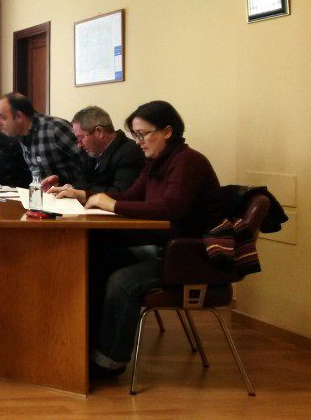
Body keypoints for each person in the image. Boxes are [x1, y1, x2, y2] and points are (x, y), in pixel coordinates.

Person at [82, 100, 222, 378]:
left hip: (190, 256)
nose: (139, 142)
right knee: (96, 260)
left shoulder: (188, 161)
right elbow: (128, 197)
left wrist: (111, 204)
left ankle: (108, 363)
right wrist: (85, 195)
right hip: (165, 248)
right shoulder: (155, 163)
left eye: (143, 134)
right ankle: (86, 346)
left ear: (167, 131)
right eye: (136, 135)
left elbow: (171, 208)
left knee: (122, 281)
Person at [45, 106, 145, 203]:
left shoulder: (130, 152)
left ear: (99, 131)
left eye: (81, 138)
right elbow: (80, 182)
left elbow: (120, 193)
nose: (79, 145)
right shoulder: (91, 151)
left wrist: (79, 190)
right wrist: (60, 182)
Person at [0, 92, 81, 187]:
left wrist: (71, 186)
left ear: (19, 117)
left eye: (2, 117)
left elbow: (87, 164)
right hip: (43, 193)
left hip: (72, 193)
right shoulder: (20, 134)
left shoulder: (54, 128)